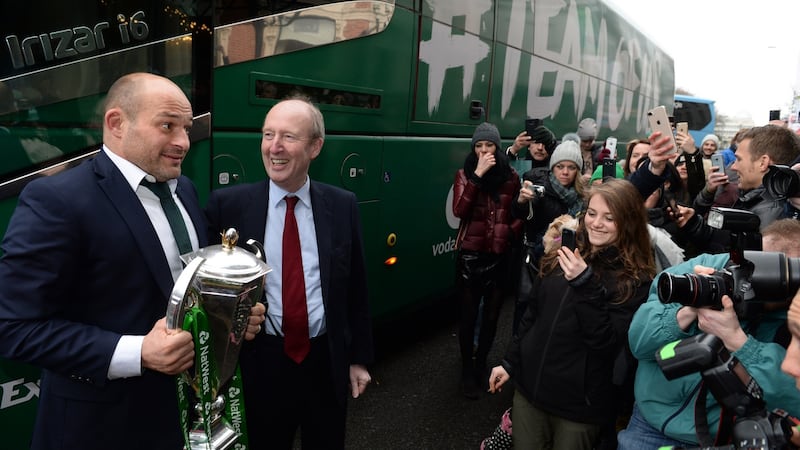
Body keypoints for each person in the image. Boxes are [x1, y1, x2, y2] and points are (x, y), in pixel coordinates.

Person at [0, 72, 266, 450]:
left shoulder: (185, 190)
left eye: (187, 128)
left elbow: (186, 293)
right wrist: (138, 352)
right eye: (167, 125)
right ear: (116, 123)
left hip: (182, 422)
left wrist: (230, 316)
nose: (183, 142)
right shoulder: (56, 200)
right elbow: (13, 328)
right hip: (99, 429)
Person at [204, 97, 374, 449]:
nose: (274, 147)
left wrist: (358, 359)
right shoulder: (228, 206)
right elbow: (206, 292)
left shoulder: (342, 205)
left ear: (315, 147)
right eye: (268, 134)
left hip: (324, 363)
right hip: (260, 363)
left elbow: (356, 287)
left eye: (288, 137)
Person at [489, 178, 655, 449]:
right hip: (530, 392)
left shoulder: (635, 281)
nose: (596, 223)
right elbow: (533, 315)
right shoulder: (562, 254)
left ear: (629, 223)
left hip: (579, 408)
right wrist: (509, 362)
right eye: (591, 213)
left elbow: (606, 344)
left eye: (609, 218)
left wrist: (585, 284)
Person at [617, 221, 800, 449]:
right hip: (649, 423)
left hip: (719, 437)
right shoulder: (707, 267)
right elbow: (638, 343)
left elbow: (794, 399)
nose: (752, 282)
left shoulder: (794, 317)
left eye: (773, 276)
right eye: (754, 265)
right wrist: (689, 309)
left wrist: (738, 342)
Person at [452, 122, 522, 399]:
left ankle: (481, 363)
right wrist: (477, 177)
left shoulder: (511, 176)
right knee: (468, 317)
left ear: (496, 147)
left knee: (492, 317)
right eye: (478, 146)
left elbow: (518, 213)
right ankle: (467, 370)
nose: (483, 151)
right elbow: (460, 210)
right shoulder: (464, 174)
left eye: (488, 145)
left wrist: (509, 233)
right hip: (471, 255)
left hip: (499, 255)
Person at [511, 141, 585, 335]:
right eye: (560, 167)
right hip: (537, 259)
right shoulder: (540, 189)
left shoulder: (581, 196)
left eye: (571, 167)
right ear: (553, 167)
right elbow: (521, 215)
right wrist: (521, 201)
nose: (565, 172)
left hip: (566, 262)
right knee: (526, 308)